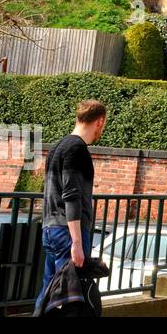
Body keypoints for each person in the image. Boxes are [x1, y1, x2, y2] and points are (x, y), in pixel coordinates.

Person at [37, 99, 107, 310]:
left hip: (50, 228)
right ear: (99, 122)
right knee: (69, 299)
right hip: (68, 232)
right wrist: (76, 242)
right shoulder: (77, 149)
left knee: (50, 292)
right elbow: (71, 195)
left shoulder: (58, 147)